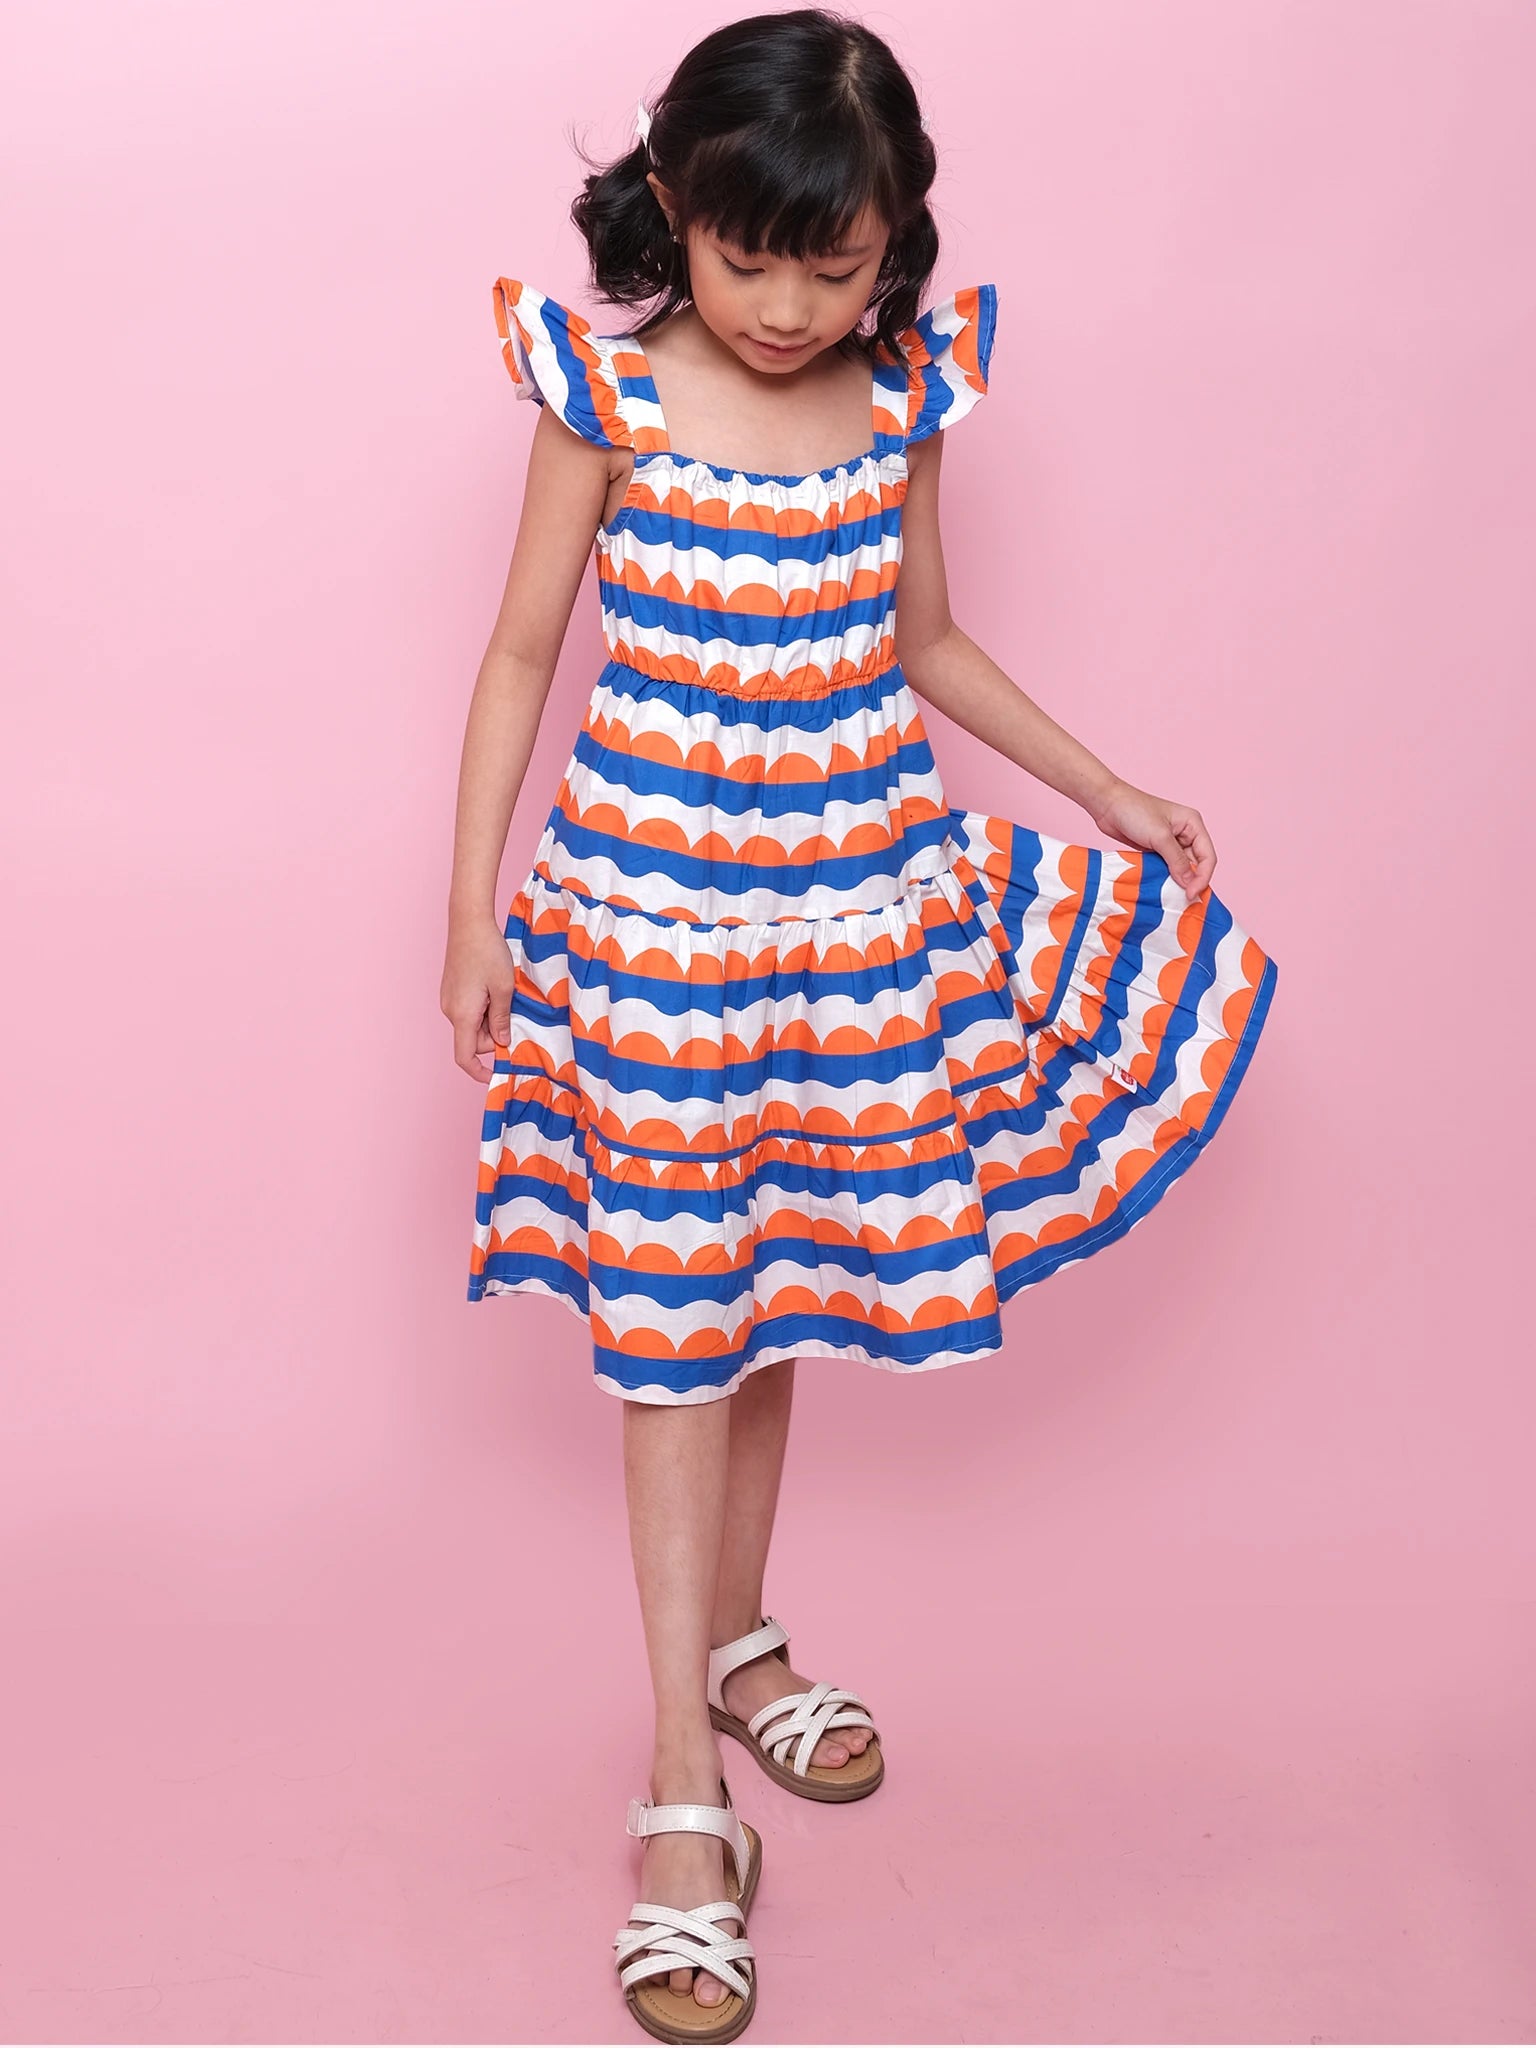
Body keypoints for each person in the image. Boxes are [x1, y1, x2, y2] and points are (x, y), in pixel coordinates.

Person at [441, 10, 1279, 2040]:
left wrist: (1098, 784)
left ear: (895, 240)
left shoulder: (901, 402)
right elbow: (521, 652)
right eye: (751, 257)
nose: (795, 303)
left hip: (848, 923)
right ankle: (677, 1789)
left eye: (841, 261)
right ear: (674, 213)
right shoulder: (610, 399)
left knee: (778, 1291)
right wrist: (469, 911)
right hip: (654, 928)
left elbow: (924, 645)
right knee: (665, 1329)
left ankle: (740, 1635)